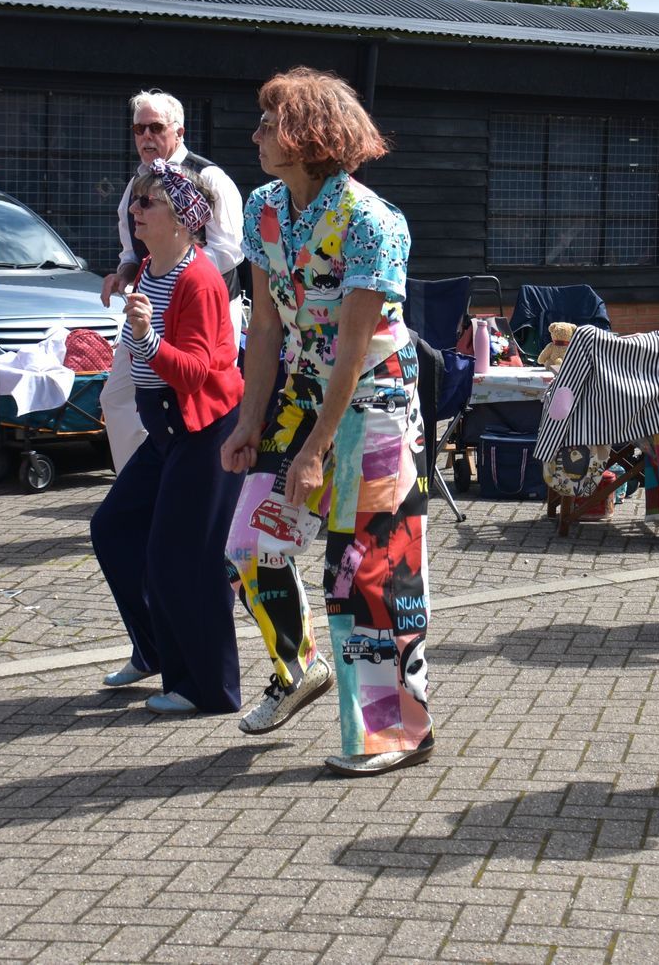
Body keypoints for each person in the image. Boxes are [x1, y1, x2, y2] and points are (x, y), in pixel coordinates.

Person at [219, 66, 433, 777]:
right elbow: (268, 332)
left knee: (366, 569)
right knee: (251, 545)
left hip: (374, 403)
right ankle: (299, 667)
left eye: (267, 121)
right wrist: (251, 421)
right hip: (302, 394)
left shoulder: (372, 221)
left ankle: (394, 729)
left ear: (306, 135)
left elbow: (353, 348)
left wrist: (312, 452)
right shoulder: (262, 209)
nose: (254, 133)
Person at [91, 160, 246, 714]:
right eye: (135, 201)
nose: (135, 210)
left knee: (183, 558)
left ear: (182, 218)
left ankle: (207, 688)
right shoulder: (148, 270)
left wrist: (144, 337)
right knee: (113, 529)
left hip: (205, 430)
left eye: (146, 203)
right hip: (166, 428)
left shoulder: (198, 279)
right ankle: (155, 649)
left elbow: (198, 371)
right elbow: (147, 363)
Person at [100, 90, 245, 474]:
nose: (146, 136)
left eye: (156, 127)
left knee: (202, 400)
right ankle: (141, 483)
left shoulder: (209, 176)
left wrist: (176, 272)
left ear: (179, 131)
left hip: (206, 308)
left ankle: (210, 485)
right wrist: (124, 274)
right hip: (148, 311)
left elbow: (229, 250)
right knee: (117, 398)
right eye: (138, 128)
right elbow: (131, 250)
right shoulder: (136, 185)